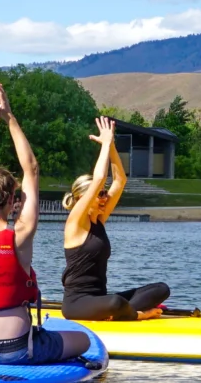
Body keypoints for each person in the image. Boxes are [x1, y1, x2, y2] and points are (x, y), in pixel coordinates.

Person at [0, 84, 93, 364]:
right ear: (13, 200)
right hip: (21, 350)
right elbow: (31, 169)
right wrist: (9, 116)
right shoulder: (21, 234)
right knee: (84, 340)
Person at [61, 116, 169, 321]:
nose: (105, 197)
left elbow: (120, 180)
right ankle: (132, 314)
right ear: (84, 198)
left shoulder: (99, 220)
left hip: (100, 299)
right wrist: (105, 144)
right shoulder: (75, 222)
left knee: (161, 289)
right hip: (77, 303)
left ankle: (118, 312)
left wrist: (111, 145)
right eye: (100, 193)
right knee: (116, 302)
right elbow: (99, 178)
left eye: (104, 193)